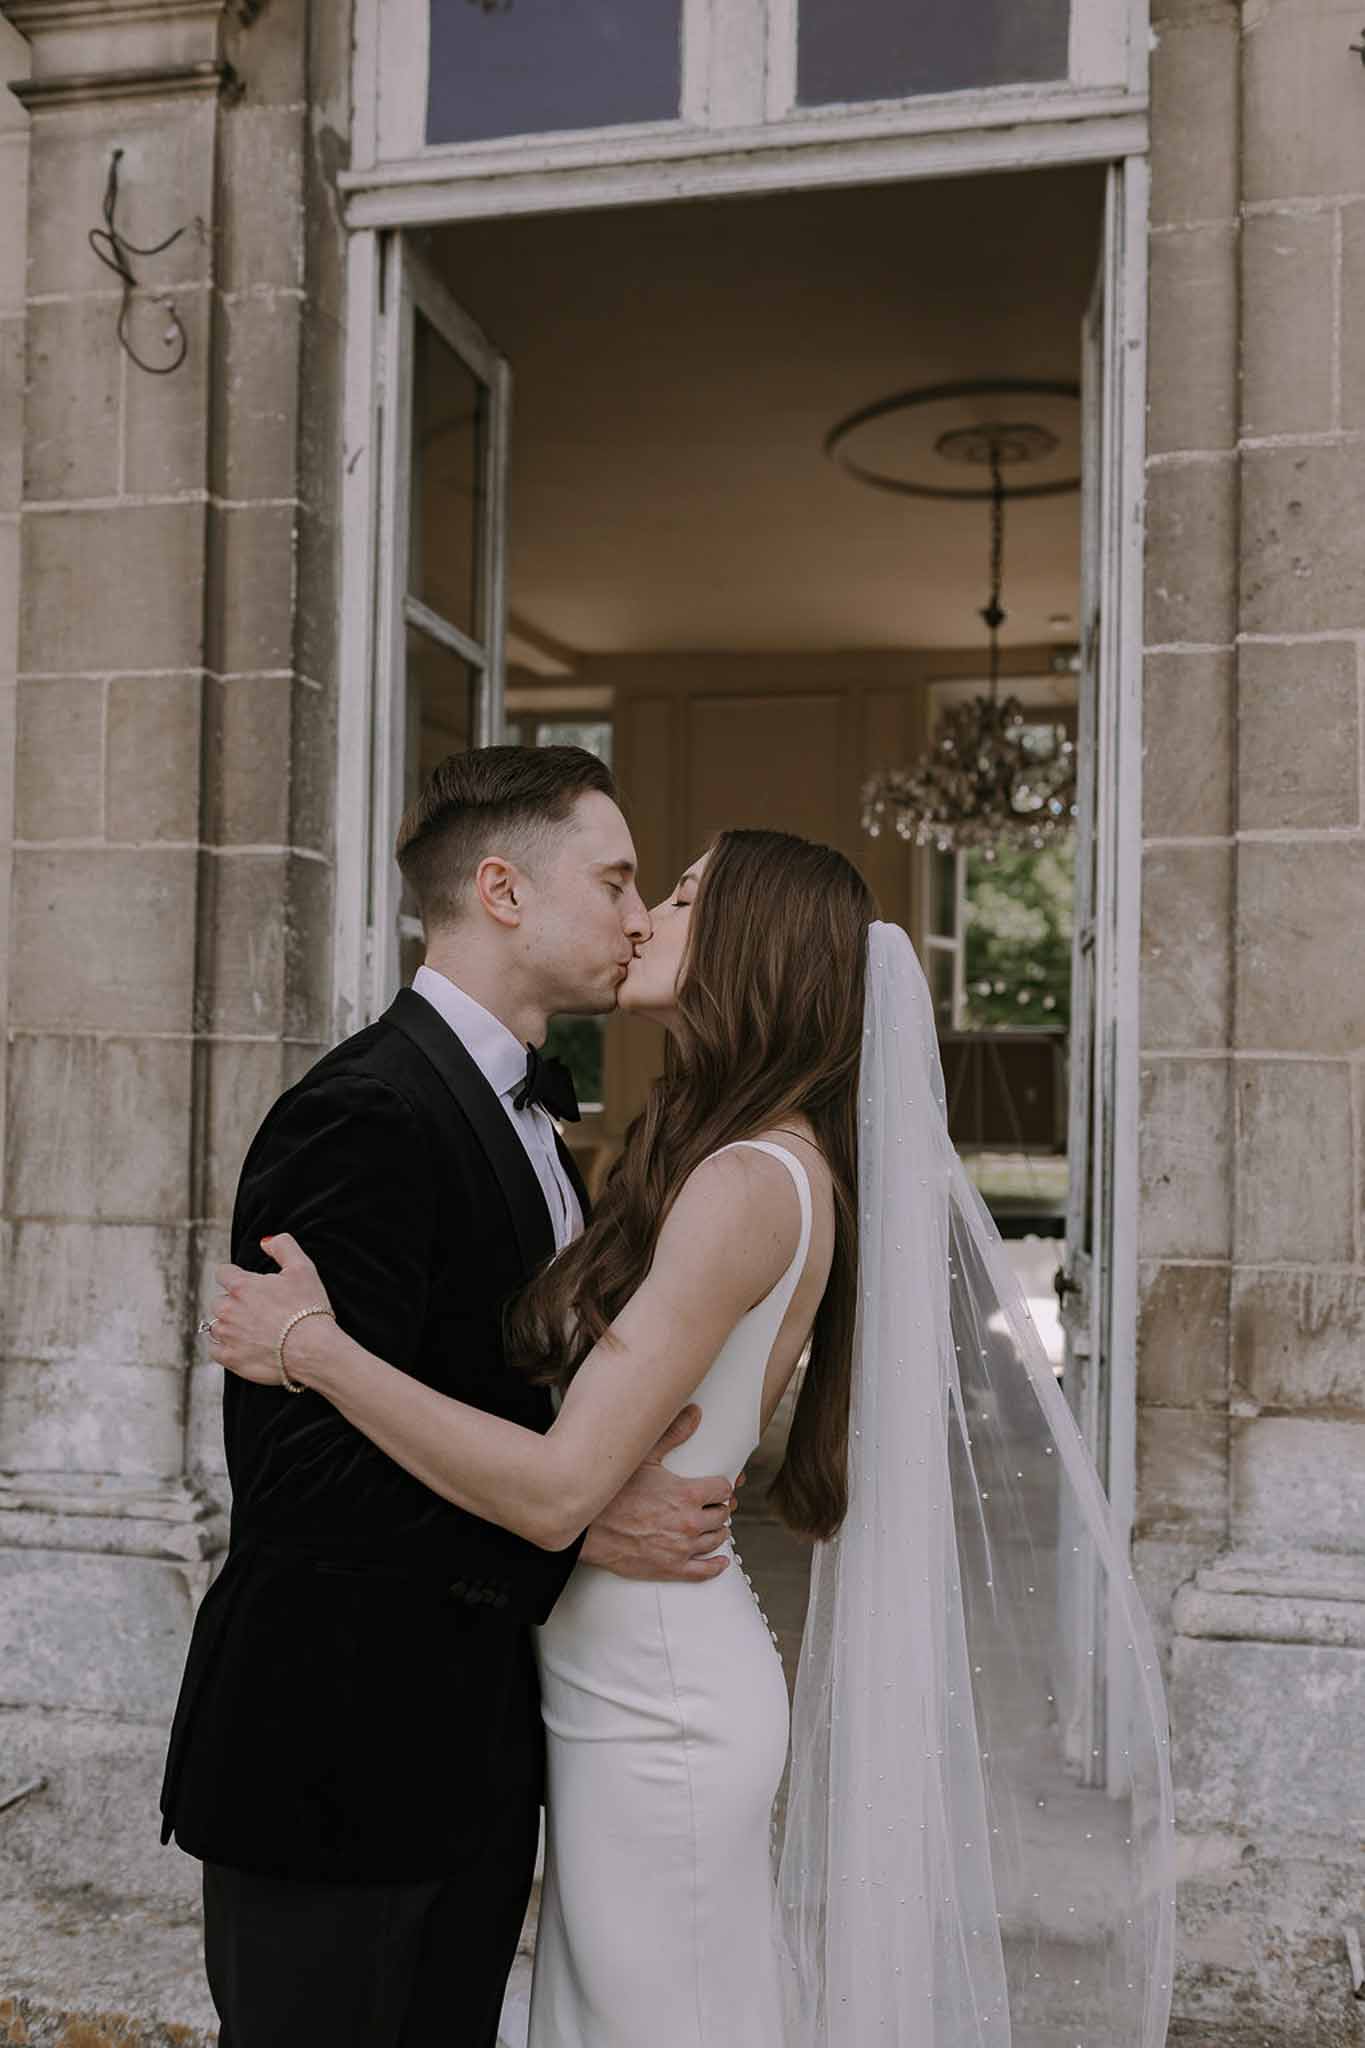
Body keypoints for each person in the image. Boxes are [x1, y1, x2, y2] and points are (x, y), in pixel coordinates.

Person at [207, 827, 1177, 2048]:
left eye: (677, 892)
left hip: (655, 1694)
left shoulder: (745, 1185)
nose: (645, 912)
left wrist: (317, 1347)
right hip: (612, 1674)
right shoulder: (731, 1161)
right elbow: (576, 1466)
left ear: (754, 944)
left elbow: (559, 1487)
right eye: (633, 885)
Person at [162, 747, 746, 2048]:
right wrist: (575, 1520)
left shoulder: (536, 1120)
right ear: (500, 890)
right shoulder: (360, 1115)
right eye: (614, 880)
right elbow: (300, 1481)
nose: (639, 916)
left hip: (472, 1757)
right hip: (333, 1756)